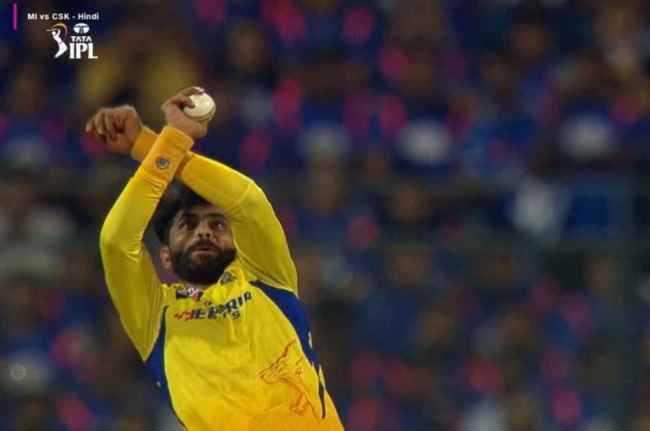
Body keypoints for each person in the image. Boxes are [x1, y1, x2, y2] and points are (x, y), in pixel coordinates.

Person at [88, 87, 344, 430]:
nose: (204, 232)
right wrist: (169, 140)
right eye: (188, 225)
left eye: (217, 224)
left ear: (239, 243)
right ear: (165, 257)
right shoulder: (155, 315)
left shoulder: (267, 277)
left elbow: (247, 201)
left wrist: (149, 145)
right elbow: (117, 242)